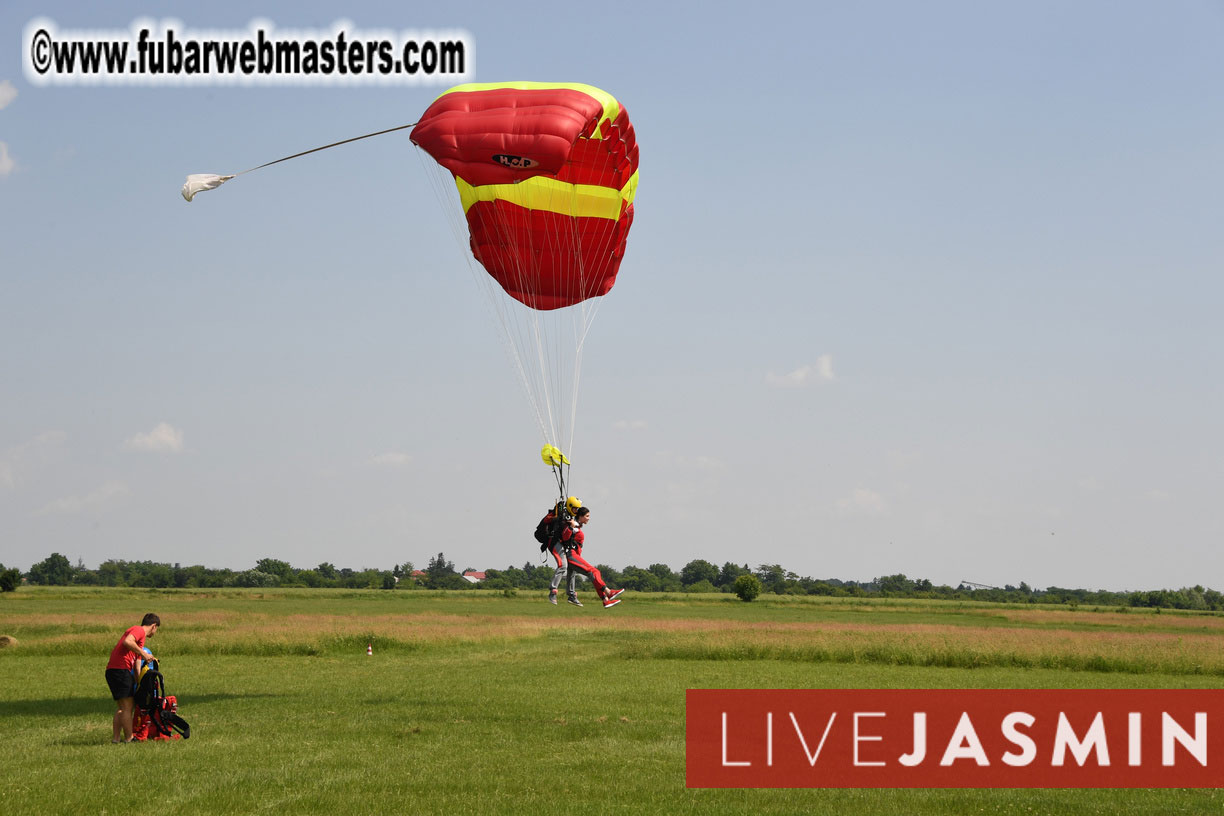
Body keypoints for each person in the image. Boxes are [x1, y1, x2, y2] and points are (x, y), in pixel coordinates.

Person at [105, 613, 160, 743]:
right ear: (153, 626)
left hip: (114, 671)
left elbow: (136, 665)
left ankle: (116, 739)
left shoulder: (140, 640)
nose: (156, 632)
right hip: (120, 670)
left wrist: (138, 682)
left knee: (122, 708)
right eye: (157, 629)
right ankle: (129, 738)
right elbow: (127, 641)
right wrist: (144, 654)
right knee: (127, 707)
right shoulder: (138, 630)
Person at [560, 505, 623, 609]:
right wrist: (571, 526)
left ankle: (605, 600)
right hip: (571, 555)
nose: (589, 518)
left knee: (592, 574)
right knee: (595, 572)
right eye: (587, 516)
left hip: (574, 555)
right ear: (580, 516)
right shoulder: (573, 525)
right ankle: (608, 592)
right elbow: (565, 536)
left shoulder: (577, 525)